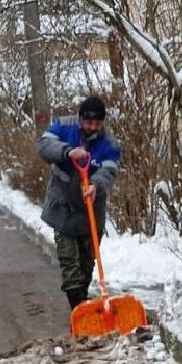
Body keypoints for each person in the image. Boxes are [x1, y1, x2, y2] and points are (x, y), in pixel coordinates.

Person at [37, 96, 121, 310]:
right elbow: (44, 145)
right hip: (62, 208)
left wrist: (95, 185)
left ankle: (82, 304)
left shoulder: (109, 144)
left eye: (97, 124)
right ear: (80, 118)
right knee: (69, 263)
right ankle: (78, 310)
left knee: (86, 265)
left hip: (91, 210)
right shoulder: (63, 126)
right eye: (88, 122)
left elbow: (109, 169)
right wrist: (67, 151)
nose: (92, 127)